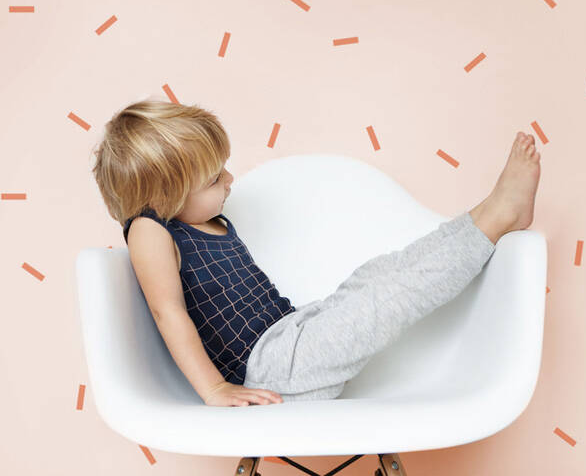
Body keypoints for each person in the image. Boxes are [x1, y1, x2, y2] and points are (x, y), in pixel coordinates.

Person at [92, 99, 541, 406]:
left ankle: (487, 214)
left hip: (289, 335)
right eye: (214, 179)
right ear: (163, 196)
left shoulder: (202, 219)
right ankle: (497, 217)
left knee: (378, 277)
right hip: (267, 372)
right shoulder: (151, 229)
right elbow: (168, 312)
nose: (230, 180)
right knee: (383, 300)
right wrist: (213, 389)